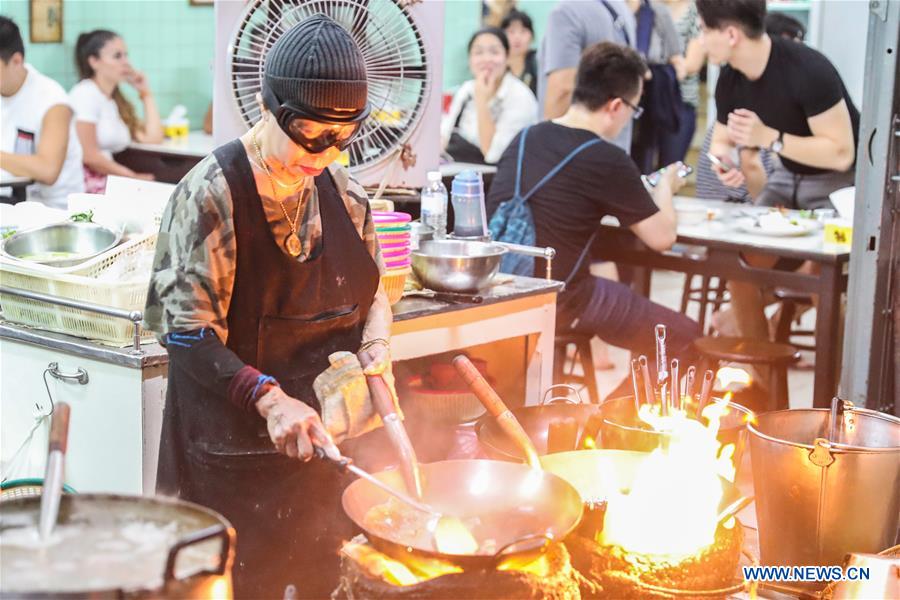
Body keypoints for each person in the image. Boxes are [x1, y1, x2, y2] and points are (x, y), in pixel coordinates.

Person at [144, 16, 394, 598]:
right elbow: (185, 335)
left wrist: (377, 349)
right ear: (265, 103)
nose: (322, 154)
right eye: (307, 131)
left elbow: (374, 294)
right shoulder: (213, 194)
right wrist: (269, 397)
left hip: (317, 464)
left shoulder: (349, 198)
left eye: (341, 137)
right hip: (226, 464)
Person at [487, 42, 700, 396]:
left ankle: (606, 424)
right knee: (684, 341)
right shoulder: (606, 158)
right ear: (616, 106)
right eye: (634, 109)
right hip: (563, 297)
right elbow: (662, 238)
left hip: (502, 289)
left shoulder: (526, 138)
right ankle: (607, 428)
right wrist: (666, 185)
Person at [697, 0, 858, 352]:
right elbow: (723, 138)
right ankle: (761, 383)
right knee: (741, 266)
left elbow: (842, 152)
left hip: (837, 182)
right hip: (787, 177)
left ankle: (838, 396)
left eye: (703, 30)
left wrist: (770, 138)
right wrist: (722, 161)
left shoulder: (808, 69)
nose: (700, 40)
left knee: (822, 274)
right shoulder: (731, 77)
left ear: (731, 34)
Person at [0, 16, 83, 207]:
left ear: (16, 60)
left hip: (52, 214)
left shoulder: (53, 100)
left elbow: (48, 169)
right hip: (8, 203)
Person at [70, 30, 163, 193]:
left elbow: (153, 138)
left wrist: (145, 93)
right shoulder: (85, 93)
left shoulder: (113, 101)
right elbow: (89, 155)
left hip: (107, 183)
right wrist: (132, 177)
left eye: (126, 55)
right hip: (85, 188)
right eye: (117, 56)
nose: (126, 62)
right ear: (94, 61)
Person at [538, 0, 636, 152]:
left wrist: (545, 151)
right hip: (614, 147)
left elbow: (563, 89)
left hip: (573, 153)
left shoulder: (566, 13)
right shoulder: (620, 8)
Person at [441, 27, 537, 165]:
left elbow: (492, 155)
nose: (486, 59)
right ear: (470, 59)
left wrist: (481, 100)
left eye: (494, 52)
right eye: (478, 52)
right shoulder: (466, 89)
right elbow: (444, 136)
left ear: (507, 57)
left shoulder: (520, 97)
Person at [627, 0, 684, 173]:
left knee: (644, 161)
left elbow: (677, 61)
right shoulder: (610, 9)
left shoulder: (657, 12)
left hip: (650, 105)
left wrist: (654, 75)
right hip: (618, 97)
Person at [660, 0, 706, 165]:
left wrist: (659, 71)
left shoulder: (695, 11)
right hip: (650, 103)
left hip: (680, 104)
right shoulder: (650, 7)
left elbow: (693, 64)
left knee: (669, 168)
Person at [502, 9, 538, 95]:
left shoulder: (538, 62)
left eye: (523, 31)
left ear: (532, 36)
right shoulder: (496, 63)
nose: (517, 37)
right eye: (511, 31)